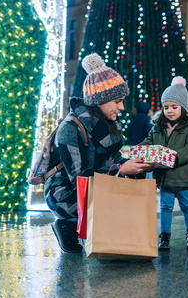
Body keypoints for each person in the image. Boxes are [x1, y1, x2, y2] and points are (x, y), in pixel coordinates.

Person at [45, 53, 154, 253]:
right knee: (115, 191)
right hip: (64, 193)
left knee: (131, 181)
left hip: (91, 186)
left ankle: (109, 235)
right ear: (99, 99)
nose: (122, 107)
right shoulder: (71, 128)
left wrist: (135, 165)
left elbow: (112, 159)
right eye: (117, 101)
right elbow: (79, 176)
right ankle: (67, 224)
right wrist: (120, 169)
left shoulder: (107, 124)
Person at [139, 76, 188, 250]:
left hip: (183, 176)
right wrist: (141, 149)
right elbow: (149, 140)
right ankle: (164, 237)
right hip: (165, 177)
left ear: (182, 107)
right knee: (165, 207)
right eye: (166, 107)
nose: (170, 111)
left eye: (174, 107)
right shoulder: (158, 125)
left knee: (187, 207)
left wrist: (175, 156)